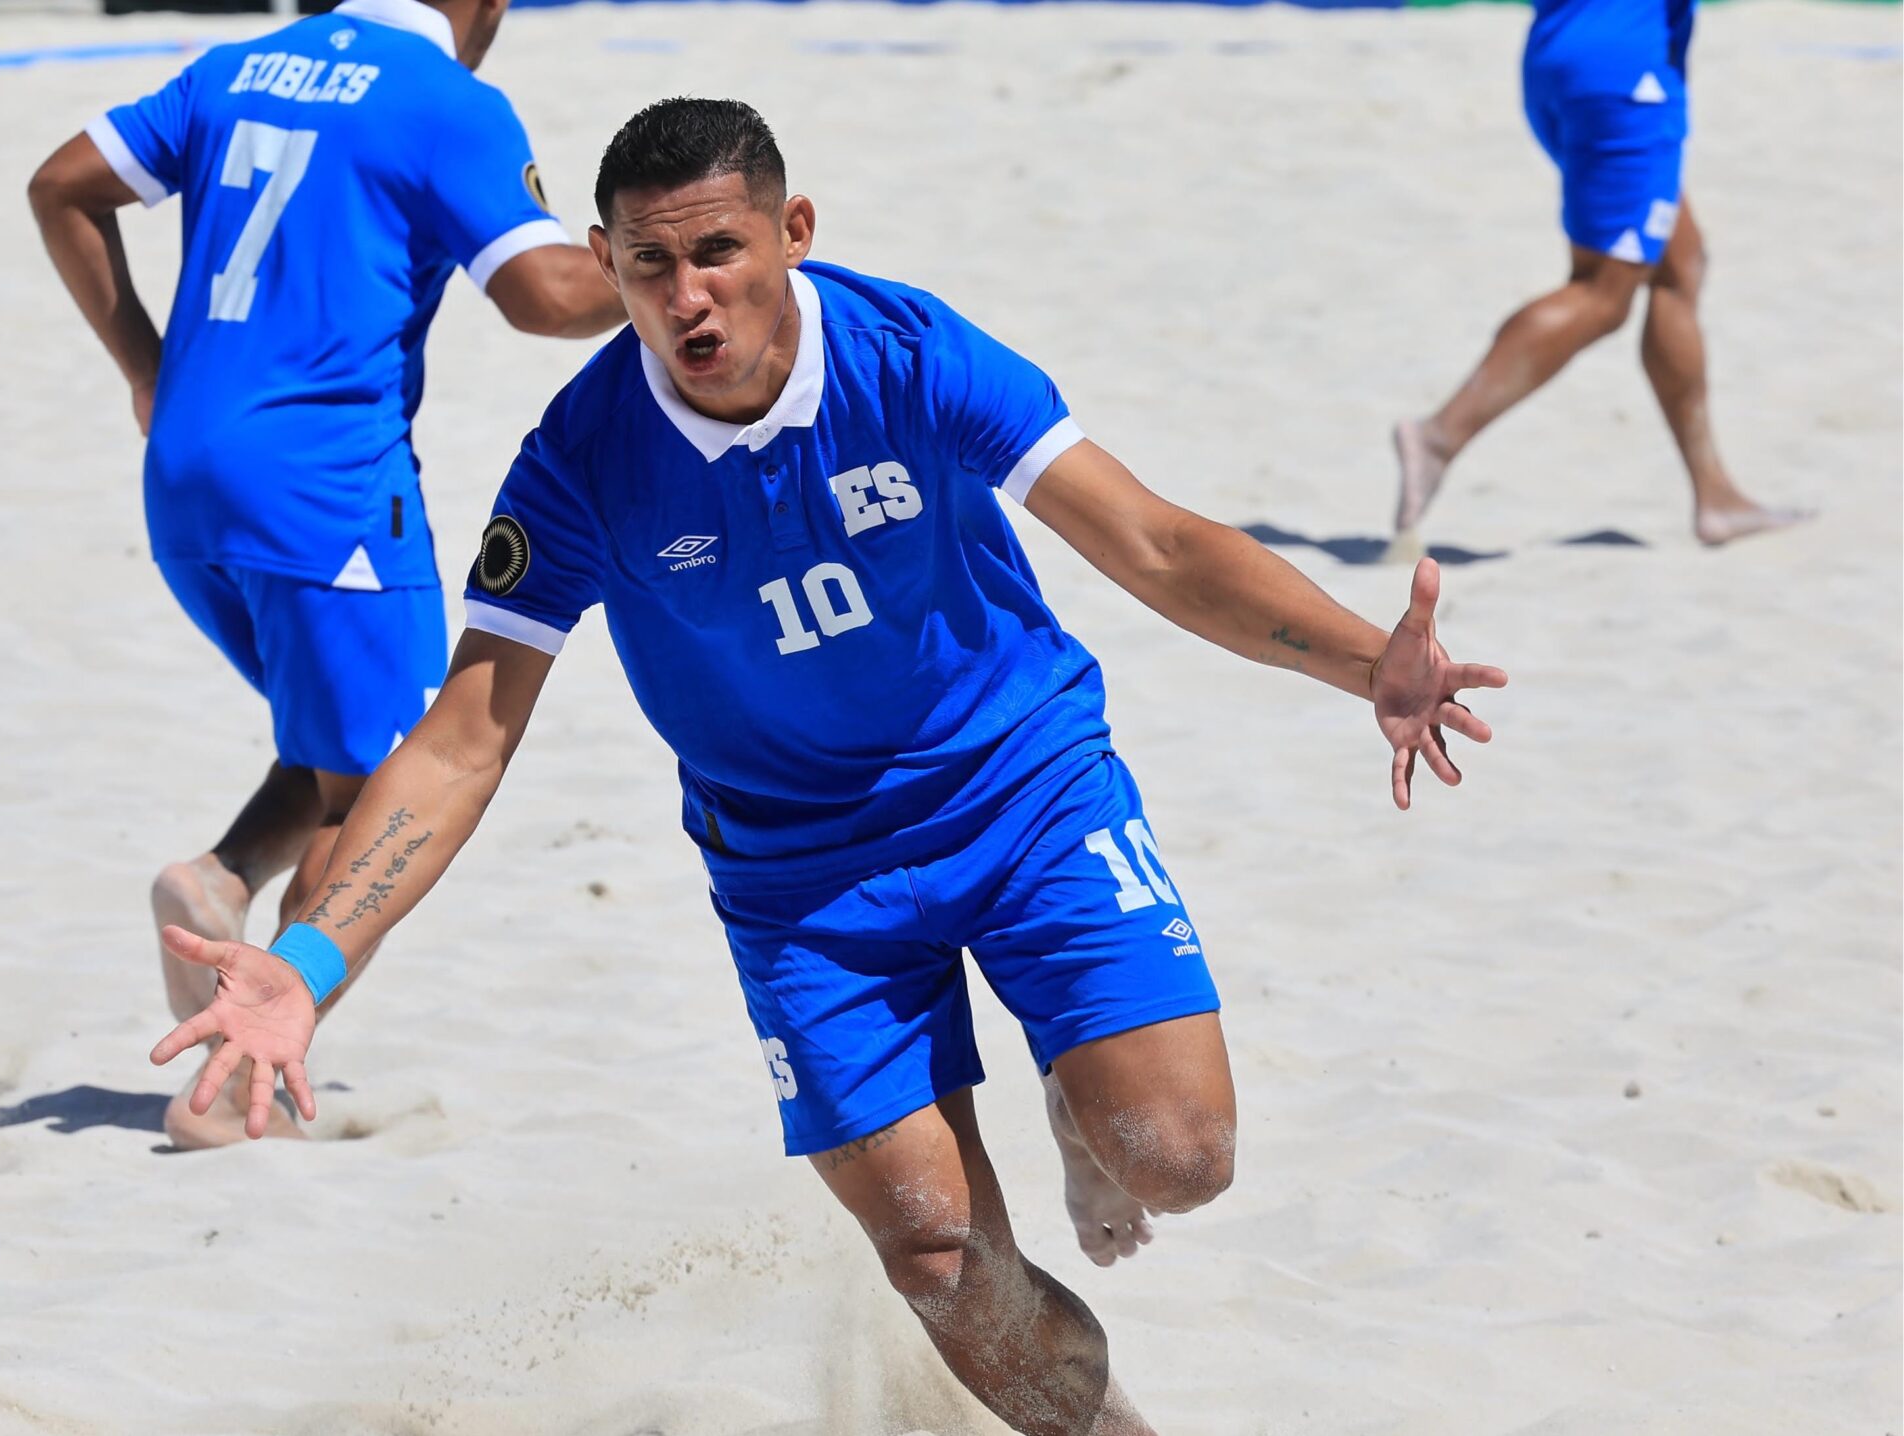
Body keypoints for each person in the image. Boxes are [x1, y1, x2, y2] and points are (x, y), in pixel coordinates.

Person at [147, 99, 1509, 1431]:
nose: (687, 297)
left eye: (718, 251)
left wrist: (1364, 661)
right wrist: (308, 962)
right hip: (799, 877)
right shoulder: (579, 461)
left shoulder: (911, 357)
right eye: (648, 263)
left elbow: (1151, 542)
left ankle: (1074, 1095)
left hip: (1020, 789)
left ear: (792, 230)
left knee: (1180, 1157)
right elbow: (464, 737)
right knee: (936, 1255)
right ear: (605, 265)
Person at [27, 0, 623, 1148]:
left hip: (184, 475)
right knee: (395, 785)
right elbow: (545, 296)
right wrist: (676, 270)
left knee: (340, 733)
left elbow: (59, 185)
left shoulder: (237, 65)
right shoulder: (444, 99)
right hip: (325, 495)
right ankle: (229, 1085)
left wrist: (146, 369)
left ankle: (223, 873)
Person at [1392, 0, 1804, 548]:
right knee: (1603, 291)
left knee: (1680, 262)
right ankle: (1440, 435)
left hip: (1561, 57)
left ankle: (1716, 497)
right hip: (1625, 78)